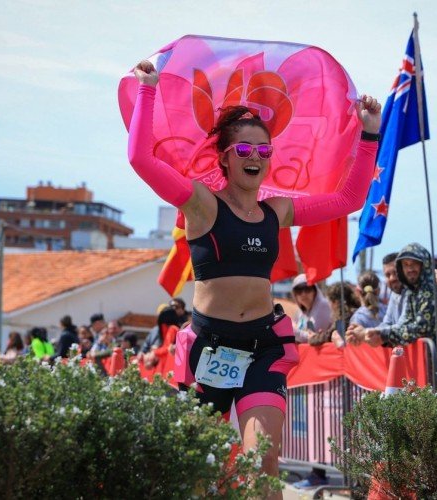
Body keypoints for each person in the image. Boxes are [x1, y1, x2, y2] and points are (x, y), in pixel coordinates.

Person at [127, 58, 380, 489]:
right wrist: (148, 89)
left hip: (263, 346)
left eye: (264, 151)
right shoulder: (202, 204)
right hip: (210, 347)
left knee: (262, 461)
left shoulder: (275, 211)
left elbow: (350, 198)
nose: (256, 158)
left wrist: (370, 130)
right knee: (199, 469)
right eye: (244, 150)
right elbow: (141, 160)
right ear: (224, 158)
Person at [347, 243, 437, 347]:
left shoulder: (430, 288)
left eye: (414, 263)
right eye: (406, 264)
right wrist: (372, 333)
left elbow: (421, 328)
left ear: (424, 264)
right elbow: (402, 324)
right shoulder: (411, 291)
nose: (410, 268)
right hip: (423, 358)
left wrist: (377, 334)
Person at [291, 274, 333, 344]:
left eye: (307, 289)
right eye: (298, 291)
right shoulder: (300, 313)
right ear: (295, 295)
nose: (303, 294)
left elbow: (315, 337)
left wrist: (292, 331)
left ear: (315, 291)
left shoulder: (323, 305)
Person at [318, 282, 360, 348]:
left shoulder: (343, 317)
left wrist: (315, 337)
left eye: (329, 301)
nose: (329, 305)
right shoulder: (357, 311)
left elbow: (328, 336)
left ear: (336, 302)